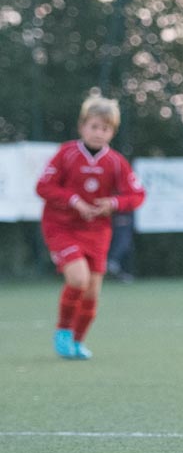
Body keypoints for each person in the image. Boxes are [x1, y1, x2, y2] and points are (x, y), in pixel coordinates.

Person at [36, 95, 146, 360]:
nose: (99, 133)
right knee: (78, 279)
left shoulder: (116, 162)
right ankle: (63, 331)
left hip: (97, 232)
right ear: (82, 126)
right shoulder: (66, 154)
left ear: (112, 132)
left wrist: (113, 203)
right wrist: (74, 201)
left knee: (92, 292)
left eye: (105, 128)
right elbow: (43, 187)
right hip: (61, 227)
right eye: (94, 126)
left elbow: (137, 195)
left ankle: (77, 341)